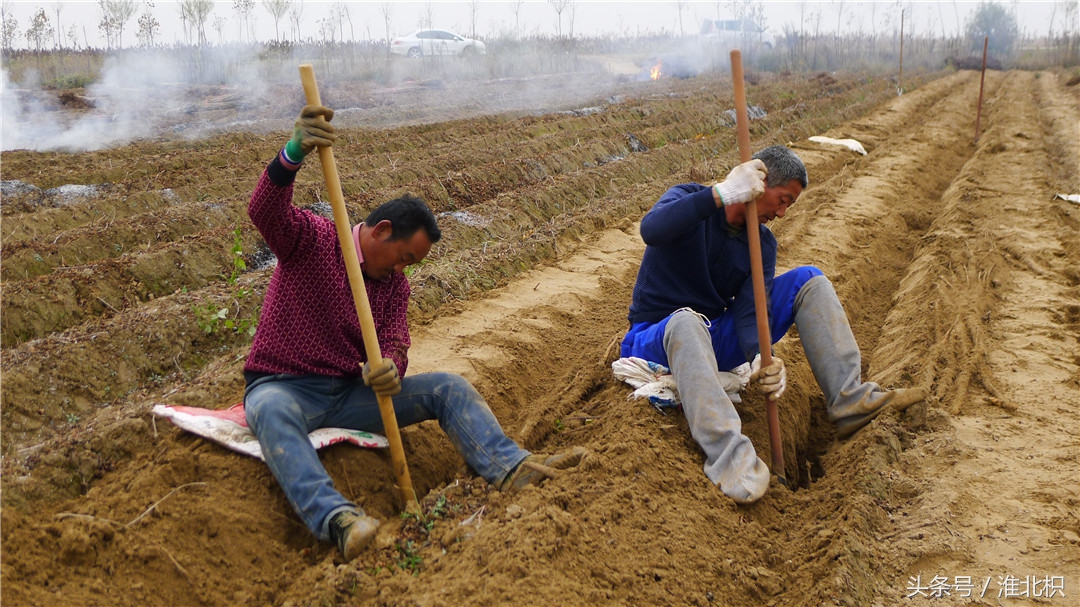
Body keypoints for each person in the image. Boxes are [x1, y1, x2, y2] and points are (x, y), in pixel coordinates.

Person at [243, 104, 585, 561]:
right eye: (404, 256)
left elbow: (396, 342)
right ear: (381, 231)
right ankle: (340, 520)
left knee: (448, 387)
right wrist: (292, 153)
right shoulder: (314, 240)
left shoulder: (393, 286)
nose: (404, 270)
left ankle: (510, 466)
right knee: (267, 409)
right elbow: (264, 211)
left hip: (348, 395)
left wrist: (389, 367)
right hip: (286, 386)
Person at [620, 145, 925, 504]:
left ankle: (850, 401)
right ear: (758, 186)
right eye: (781, 200)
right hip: (656, 335)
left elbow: (751, 314)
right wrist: (720, 194)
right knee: (686, 321)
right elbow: (652, 229)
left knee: (809, 280)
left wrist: (761, 357)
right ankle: (730, 460)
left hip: (710, 335)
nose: (781, 213)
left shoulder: (760, 243)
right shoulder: (690, 200)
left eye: (788, 206)